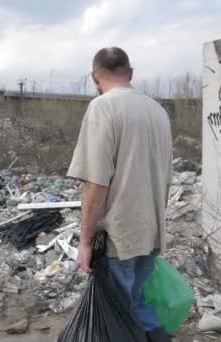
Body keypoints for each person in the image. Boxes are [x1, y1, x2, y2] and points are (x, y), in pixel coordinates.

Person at [67, 47, 173, 341]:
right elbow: (166, 178)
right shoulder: (158, 112)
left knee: (115, 320)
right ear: (131, 74)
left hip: (119, 239)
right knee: (136, 304)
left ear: (94, 78)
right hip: (150, 233)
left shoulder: (103, 108)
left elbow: (95, 183)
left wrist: (85, 241)